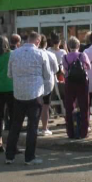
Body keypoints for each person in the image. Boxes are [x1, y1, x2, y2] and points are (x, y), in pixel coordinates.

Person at [5, 32, 54, 165]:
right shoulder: (41, 54)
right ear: (38, 41)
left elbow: (9, 74)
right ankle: (29, 156)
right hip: (35, 93)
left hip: (19, 93)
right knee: (32, 126)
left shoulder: (14, 53)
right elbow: (47, 75)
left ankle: (9, 155)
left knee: (15, 125)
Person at [61, 36, 91, 139]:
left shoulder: (65, 57)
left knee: (69, 107)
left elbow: (64, 70)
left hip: (70, 82)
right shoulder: (82, 55)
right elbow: (89, 67)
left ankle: (71, 132)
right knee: (84, 106)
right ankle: (84, 132)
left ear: (68, 46)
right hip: (82, 82)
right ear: (78, 45)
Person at [38, 34, 61, 136]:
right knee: (46, 106)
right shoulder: (51, 55)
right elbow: (56, 69)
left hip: (36, 83)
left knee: (36, 105)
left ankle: (35, 126)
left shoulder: (34, 54)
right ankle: (44, 128)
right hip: (48, 83)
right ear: (46, 43)